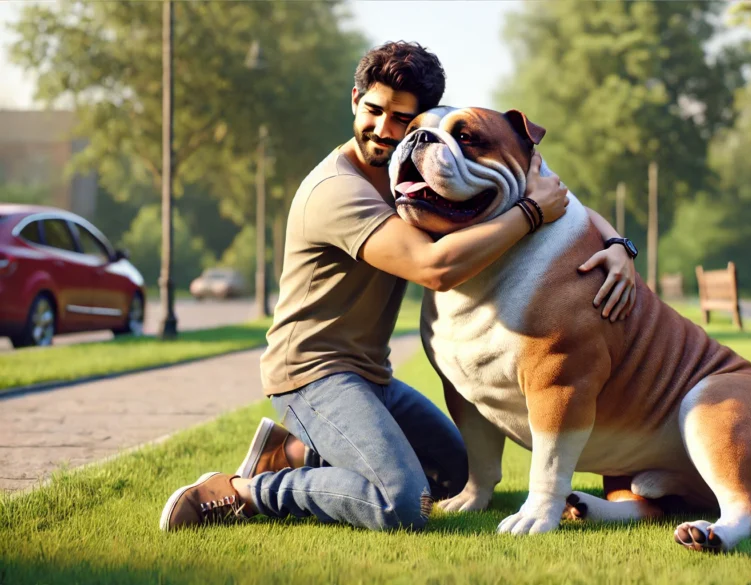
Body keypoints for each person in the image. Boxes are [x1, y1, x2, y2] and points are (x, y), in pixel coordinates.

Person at [159, 41, 638, 533]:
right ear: (354, 99)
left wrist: (617, 243)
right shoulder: (338, 191)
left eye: (402, 121)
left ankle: (291, 454)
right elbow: (436, 268)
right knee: (402, 504)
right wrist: (529, 214)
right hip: (313, 377)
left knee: (456, 478)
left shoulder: (410, 177)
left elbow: (553, 193)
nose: (384, 130)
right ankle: (245, 491)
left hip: (372, 378)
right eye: (373, 110)